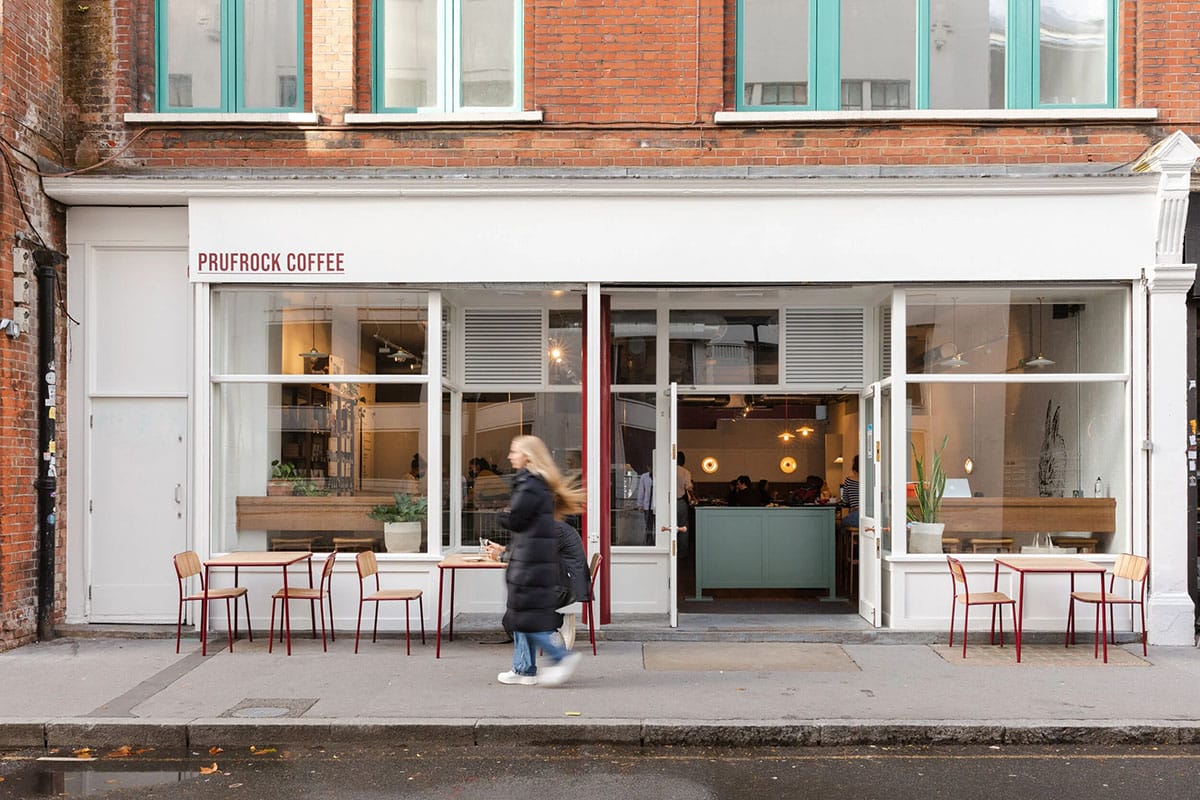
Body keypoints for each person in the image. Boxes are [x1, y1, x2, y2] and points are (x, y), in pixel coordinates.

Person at [492, 435, 586, 687]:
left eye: (514, 451)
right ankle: (523, 669)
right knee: (521, 616)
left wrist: (500, 514)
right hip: (532, 563)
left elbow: (517, 521)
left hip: (535, 568)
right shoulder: (536, 484)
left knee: (527, 619)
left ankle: (560, 656)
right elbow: (528, 528)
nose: (510, 456)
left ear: (528, 456)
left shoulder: (530, 484)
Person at [487, 519, 590, 650]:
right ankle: (543, 636)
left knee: (515, 616)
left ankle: (558, 623)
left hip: (562, 587)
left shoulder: (556, 528)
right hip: (557, 582)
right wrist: (504, 549)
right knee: (512, 615)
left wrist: (501, 555)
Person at [676, 451, 694, 557]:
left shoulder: (667, 470)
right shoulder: (685, 472)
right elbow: (688, 487)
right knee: (683, 528)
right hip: (680, 502)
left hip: (668, 503)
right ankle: (682, 553)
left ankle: (671, 550)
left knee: (670, 527)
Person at [841, 455, 860, 529]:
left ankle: (851, 540)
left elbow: (845, 500)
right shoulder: (870, 480)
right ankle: (856, 540)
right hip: (870, 516)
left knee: (841, 523)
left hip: (856, 515)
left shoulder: (849, 480)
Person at [636, 464, 654, 544]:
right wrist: (640, 504)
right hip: (647, 505)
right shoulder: (644, 477)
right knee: (648, 526)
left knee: (657, 526)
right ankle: (648, 542)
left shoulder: (660, 475)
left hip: (657, 506)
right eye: (650, 467)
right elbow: (641, 491)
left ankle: (656, 542)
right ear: (648, 467)